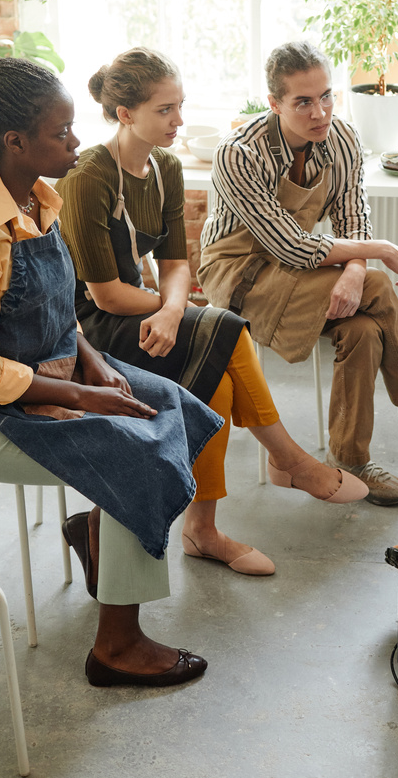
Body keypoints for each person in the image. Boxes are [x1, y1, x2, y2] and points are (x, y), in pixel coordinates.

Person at [0, 53, 224, 689]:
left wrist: (96, 365)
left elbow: (57, 313)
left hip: (41, 377)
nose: (78, 141)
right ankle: (117, 645)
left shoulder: (39, 198)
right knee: (135, 457)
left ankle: (98, 535)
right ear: (15, 141)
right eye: (62, 132)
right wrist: (81, 393)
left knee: (176, 408)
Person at [55, 47, 366, 576]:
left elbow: (177, 262)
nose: (179, 121)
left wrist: (176, 307)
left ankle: (202, 531)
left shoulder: (167, 167)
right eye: (165, 111)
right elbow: (104, 295)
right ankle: (289, 461)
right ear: (126, 114)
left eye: (180, 106)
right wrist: (176, 308)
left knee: (218, 376)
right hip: (91, 330)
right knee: (224, 331)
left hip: (150, 310)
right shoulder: (90, 176)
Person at [198, 40, 398, 507]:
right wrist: (378, 252)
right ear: (274, 104)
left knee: (365, 327)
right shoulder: (239, 154)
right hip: (240, 273)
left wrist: (354, 268)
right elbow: (287, 244)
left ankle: (349, 459)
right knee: (377, 282)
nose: (319, 112)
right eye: (303, 102)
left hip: (304, 272)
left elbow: (353, 219)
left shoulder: (343, 138)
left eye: (327, 96)